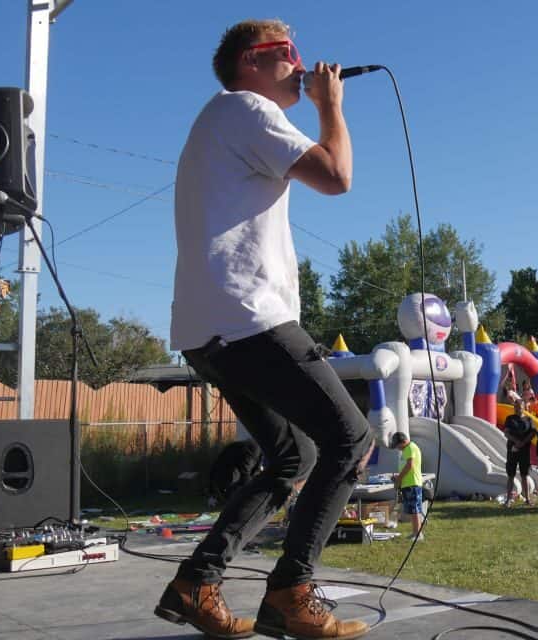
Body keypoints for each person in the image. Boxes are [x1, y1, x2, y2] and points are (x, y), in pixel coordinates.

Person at [155, 20, 374, 640]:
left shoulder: (222, 119)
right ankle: (291, 590)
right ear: (252, 61)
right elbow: (336, 174)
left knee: (292, 456)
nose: (300, 62)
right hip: (247, 318)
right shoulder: (247, 108)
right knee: (350, 442)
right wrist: (332, 106)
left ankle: (198, 581)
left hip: (209, 328)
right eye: (287, 53)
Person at [392, 432, 424, 541]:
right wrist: (398, 476)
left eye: (397, 445)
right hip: (409, 483)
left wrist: (399, 479)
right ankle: (415, 532)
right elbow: (407, 467)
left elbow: (409, 465)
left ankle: (417, 534)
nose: (397, 448)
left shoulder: (410, 448)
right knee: (412, 509)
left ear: (402, 442)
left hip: (412, 483)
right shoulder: (407, 449)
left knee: (414, 510)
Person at [503, 399, 536, 506]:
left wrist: (523, 443)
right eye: (515, 406)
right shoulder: (510, 419)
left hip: (524, 450)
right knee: (510, 475)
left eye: (519, 406)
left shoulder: (529, 419)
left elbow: (532, 433)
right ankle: (508, 499)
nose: (517, 408)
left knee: (524, 475)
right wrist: (516, 442)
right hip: (512, 450)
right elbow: (506, 433)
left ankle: (527, 498)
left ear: (524, 407)